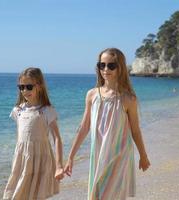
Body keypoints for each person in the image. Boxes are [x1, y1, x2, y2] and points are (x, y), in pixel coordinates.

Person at [64, 48, 151, 200]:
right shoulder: (92, 95)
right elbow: (84, 127)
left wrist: (143, 156)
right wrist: (70, 156)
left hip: (119, 155)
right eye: (101, 65)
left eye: (111, 65)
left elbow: (135, 130)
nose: (105, 69)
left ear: (120, 68)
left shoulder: (128, 99)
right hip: (98, 155)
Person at [3, 67, 64, 200]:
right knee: (16, 192)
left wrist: (59, 166)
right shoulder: (18, 110)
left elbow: (57, 139)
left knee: (36, 195)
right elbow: (20, 137)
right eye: (21, 87)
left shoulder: (46, 110)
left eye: (29, 87)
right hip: (22, 158)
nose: (25, 90)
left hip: (41, 159)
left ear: (39, 86)